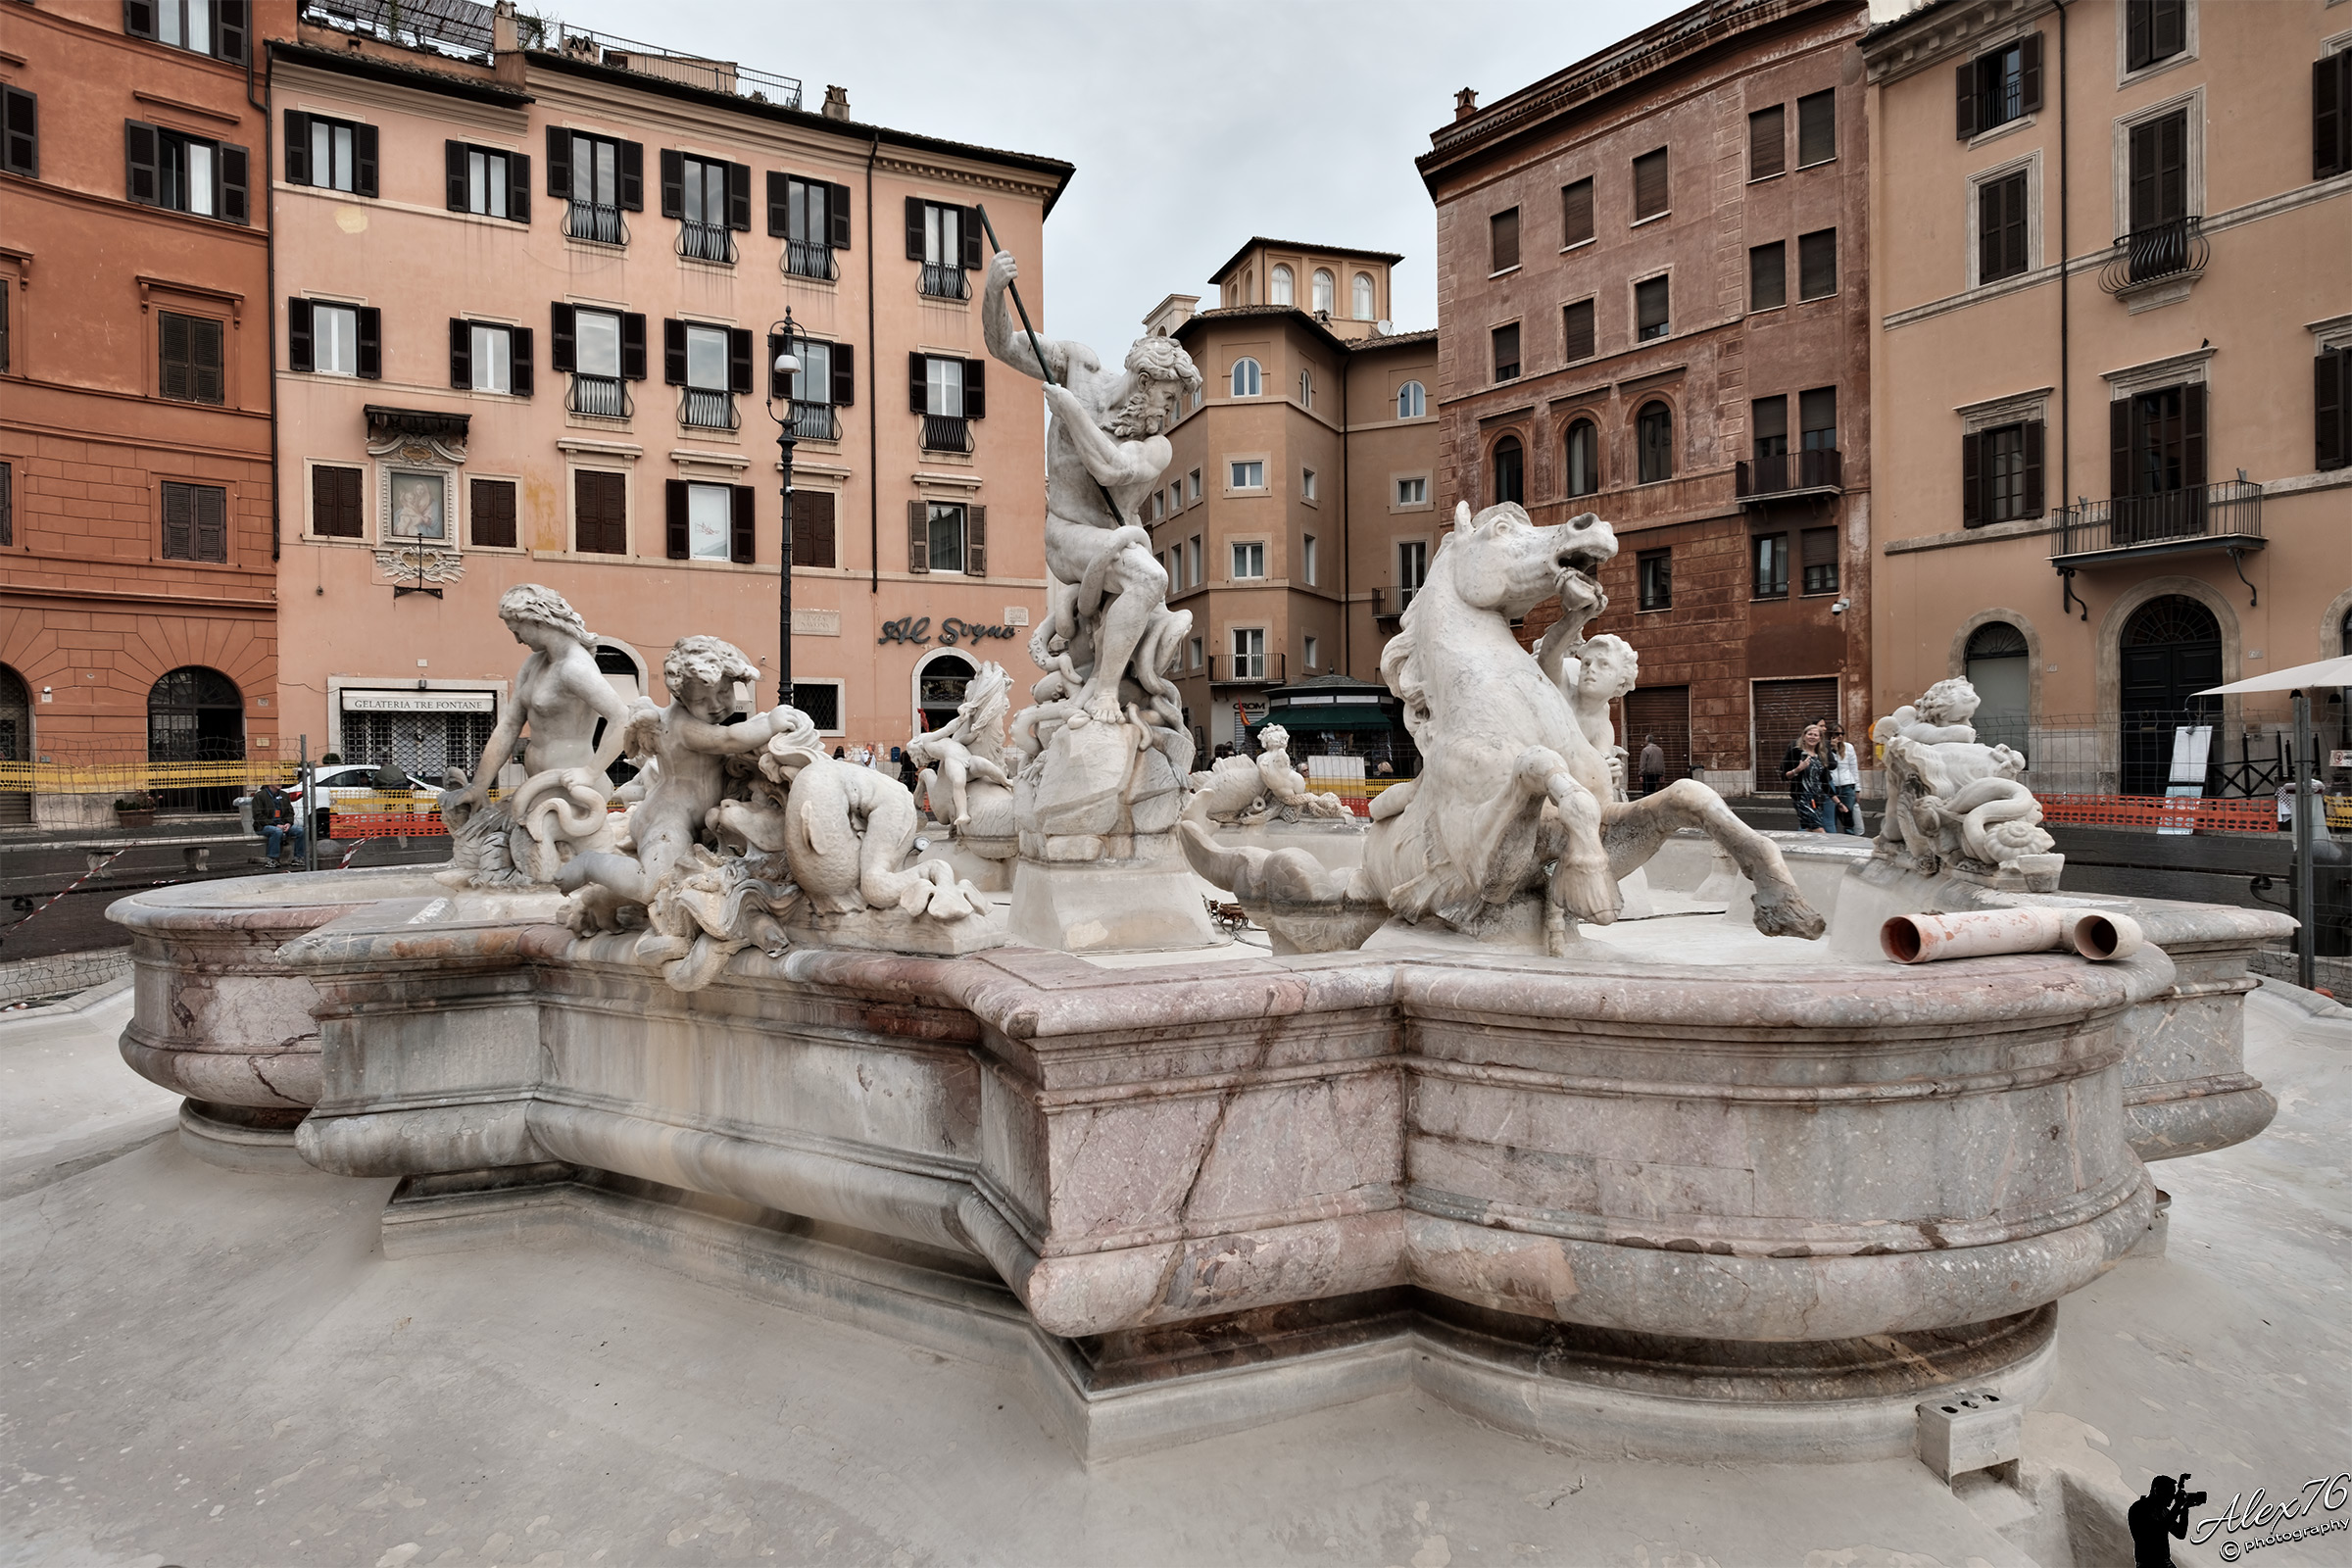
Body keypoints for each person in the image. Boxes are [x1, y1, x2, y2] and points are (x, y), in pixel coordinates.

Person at [2127, 1474, 2195, 1567]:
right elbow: (2157, 1531)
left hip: (2163, 1562)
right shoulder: (2139, 1508)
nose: (2172, 1498)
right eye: (2170, 1494)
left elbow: (2180, 1533)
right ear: (2157, 1491)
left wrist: (2185, 1509)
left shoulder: (2162, 1510)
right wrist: (2178, 1506)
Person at [1781, 723, 1829, 832]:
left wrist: (1838, 802)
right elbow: (1784, 776)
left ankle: (1811, 849)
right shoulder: (1795, 752)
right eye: (1809, 734)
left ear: (1820, 738)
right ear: (1804, 736)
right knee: (1819, 830)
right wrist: (1798, 769)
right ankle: (1827, 848)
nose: (1812, 737)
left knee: (1810, 830)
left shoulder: (1821, 756)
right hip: (1802, 797)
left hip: (1817, 799)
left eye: (1815, 735)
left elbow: (1824, 780)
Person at [251, 779, 304, 870]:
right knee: (276, 831)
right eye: (276, 780)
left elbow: (290, 812)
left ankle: (298, 858)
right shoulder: (260, 796)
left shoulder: (284, 795)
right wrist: (274, 824)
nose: (280, 782)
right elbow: (258, 815)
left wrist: (288, 823)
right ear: (269, 783)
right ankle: (272, 859)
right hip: (263, 826)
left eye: (281, 780)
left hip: (282, 824)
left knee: (301, 831)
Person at [1825, 723, 1863, 834]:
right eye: (1837, 734)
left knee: (1848, 817)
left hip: (1847, 785)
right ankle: (1834, 840)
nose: (1840, 736)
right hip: (1832, 786)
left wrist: (1857, 789)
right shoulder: (1825, 748)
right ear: (1830, 735)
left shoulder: (1848, 747)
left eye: (1842, 733)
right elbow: (1829, 765)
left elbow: (1854, 768)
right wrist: (1832, 748)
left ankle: (1851, 839)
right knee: (1832, 817)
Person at [1639, 734, 1666, 799]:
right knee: (1654, 791)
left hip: (1648, 774)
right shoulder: (1660, 750)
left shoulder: (1645, 750)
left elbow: (1643, 763)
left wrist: (1641, 774)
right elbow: (1662, 762)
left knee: (1647, 792)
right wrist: (1662, 774)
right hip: (1657, 774)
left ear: (1647, 741)